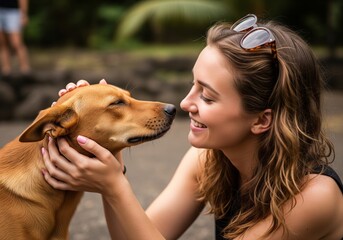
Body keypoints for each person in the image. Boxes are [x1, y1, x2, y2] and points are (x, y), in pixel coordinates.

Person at [42, 14, 343, 240]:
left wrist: (115, 187)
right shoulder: (209, 160)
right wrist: (108, 137)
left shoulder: (314, 197)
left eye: (208, 96)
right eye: (193, 84)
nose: (185, 103)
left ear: (262, 120)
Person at [0, 0, 30, 77]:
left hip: (13, 11)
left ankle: (25, 70)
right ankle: (6, 71)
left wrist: (24, 14)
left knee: (16, 43)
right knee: (2, 43)